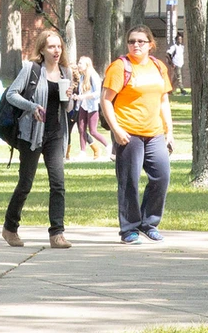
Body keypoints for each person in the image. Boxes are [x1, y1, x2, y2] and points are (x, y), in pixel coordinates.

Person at [101, 26, 174, 245]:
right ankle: (129, 229)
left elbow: (163, 100)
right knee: (129, 182)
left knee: (161, 176)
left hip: (155, 133)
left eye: (141, 41)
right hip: (128, 133)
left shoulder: (158, 67)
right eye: (132, 41)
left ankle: (148, 223)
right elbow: (106, 100)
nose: (136, 45)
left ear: (151, 44)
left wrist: (169, 130)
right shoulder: (119, 67)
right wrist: (117, 130)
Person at [1, 29, 73, 249]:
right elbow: (11, 94)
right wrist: (32, 106)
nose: (56, 50)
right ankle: (10, 228)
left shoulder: (65, 73)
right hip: (31, 134)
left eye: (59, 46)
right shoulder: (31, 69)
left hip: (56, 133)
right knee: (25, 183)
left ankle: (57, 233)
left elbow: (66, 108)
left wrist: (70, 97)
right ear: (42, 49)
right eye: (51, 46)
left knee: (58, 184)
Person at [69, 56, 105, 160]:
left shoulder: (93, 76)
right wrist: (75, 97)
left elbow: (98, 93)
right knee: (81, 128)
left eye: (80, 63)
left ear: (87, 65)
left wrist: (83, 97)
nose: (78, 65)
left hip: (92, 106)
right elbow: (81, 92)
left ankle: (108, 147)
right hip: (82, 106)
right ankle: (82, 152)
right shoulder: (81, 77)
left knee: (93, 131)